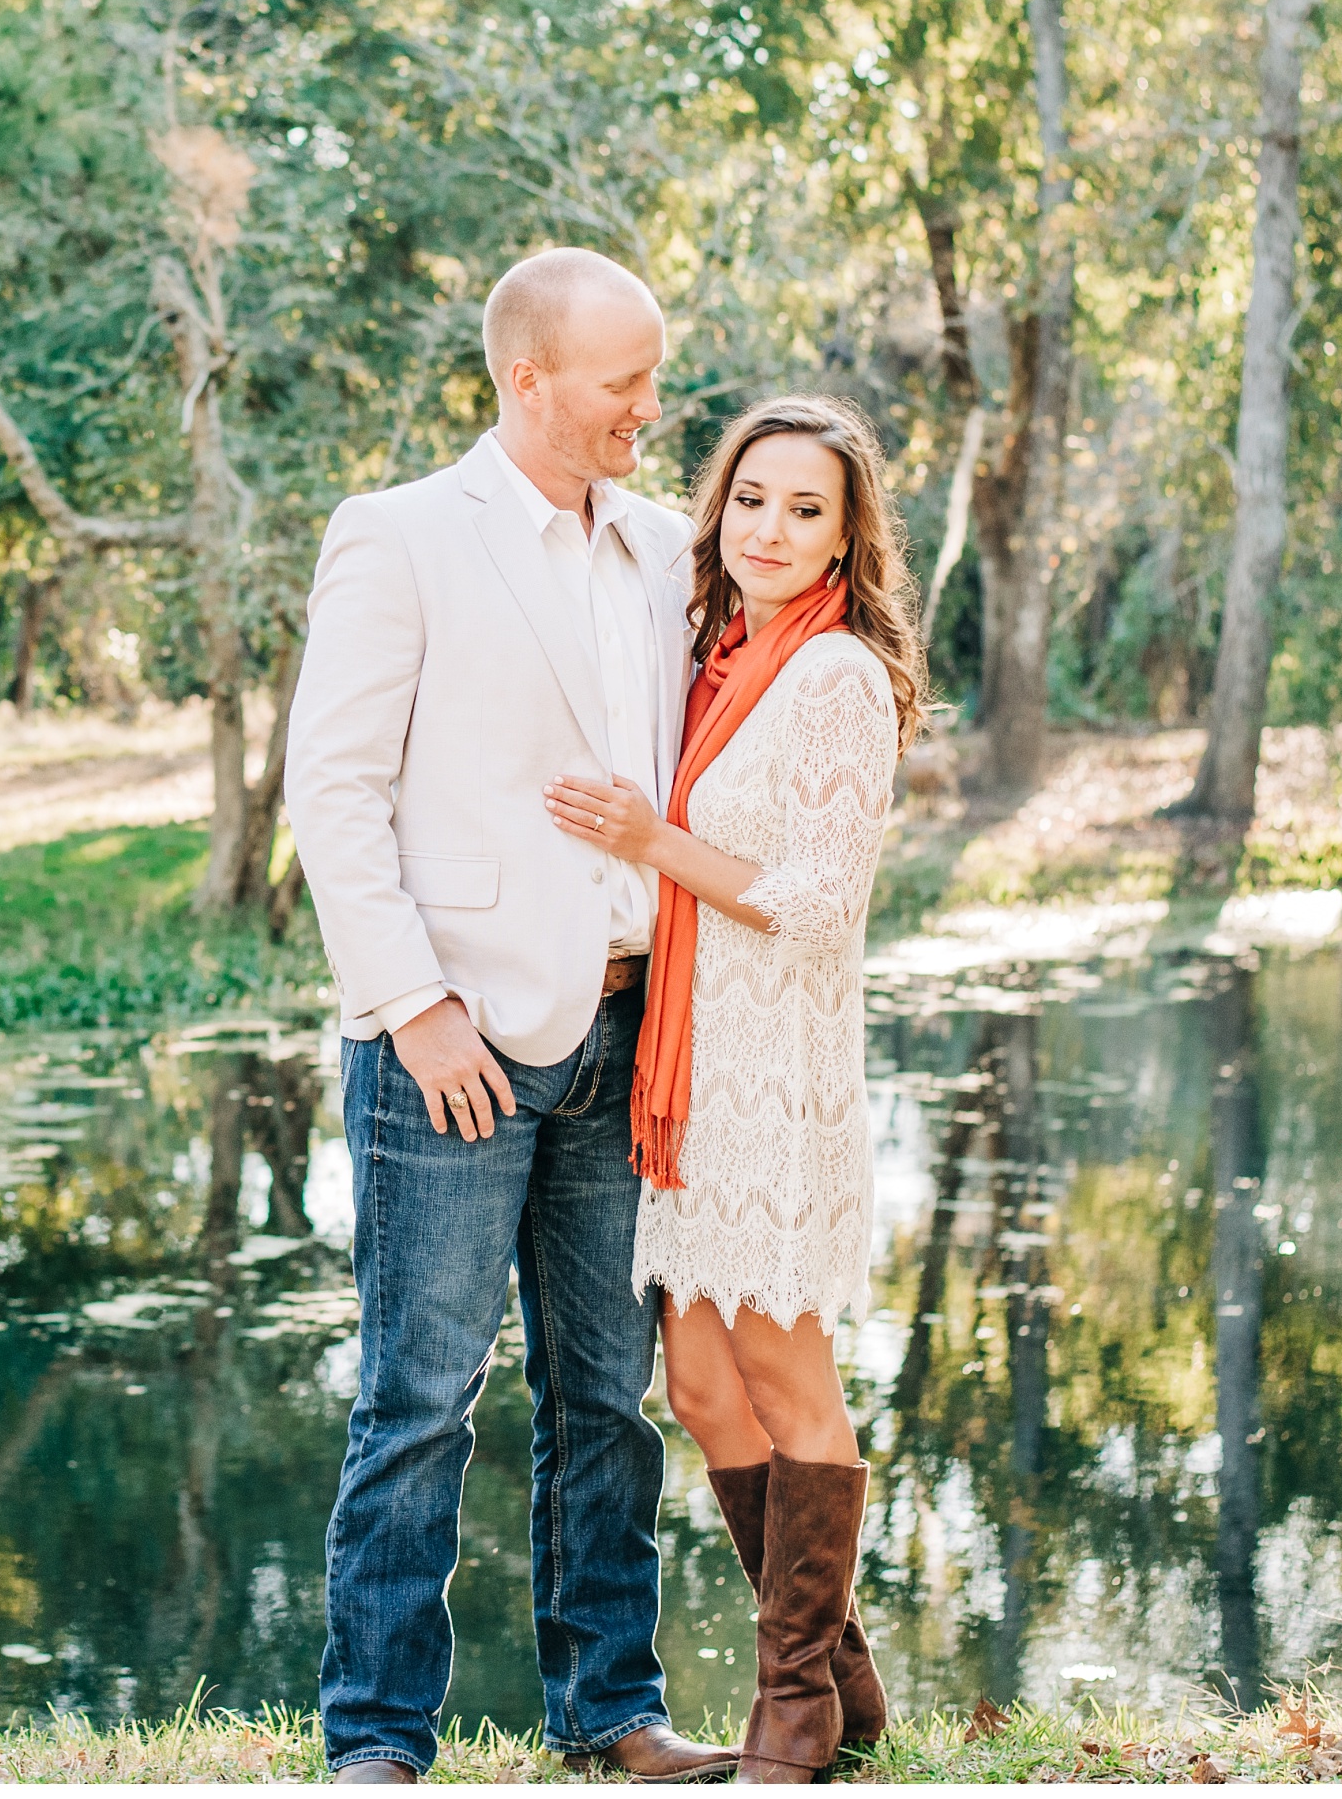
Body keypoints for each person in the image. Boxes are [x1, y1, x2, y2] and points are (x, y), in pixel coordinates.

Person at [285, 247, 734, 1787]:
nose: (652, 409)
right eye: (627, 382)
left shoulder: (675, 551)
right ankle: (377, 1737)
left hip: (627, 1038)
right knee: (419, 1395)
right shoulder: (400, 536)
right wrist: (412, 1008)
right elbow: (332, 794)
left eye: (655, 377)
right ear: (528, 379)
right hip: (452, 1045)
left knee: (607, 1396)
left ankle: (613, 1707)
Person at [541, 394, 927, 1785]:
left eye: (805, 507)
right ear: (721, 508)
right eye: (751, 498)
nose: (770, 527)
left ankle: (795, 1710)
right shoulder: (721, 656)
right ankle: (847, 1677)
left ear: (844, 535)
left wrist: (653, 841)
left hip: (776, 1074)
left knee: (783, 1368)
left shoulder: (834, 675)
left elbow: (823, 904)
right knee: (703, 1385)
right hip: (693, 1065)